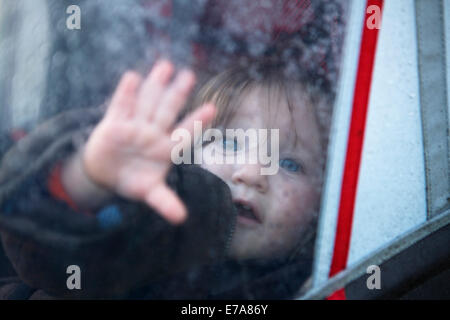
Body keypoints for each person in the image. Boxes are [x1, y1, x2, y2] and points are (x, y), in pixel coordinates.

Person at [0, 59, 332, 299]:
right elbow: (49, 252)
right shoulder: (152, 228)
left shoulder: (325, 281)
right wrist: (89, 181)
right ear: (185, 151)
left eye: (289, 163)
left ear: (325, 202)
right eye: (229, 143)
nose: (252, 173)